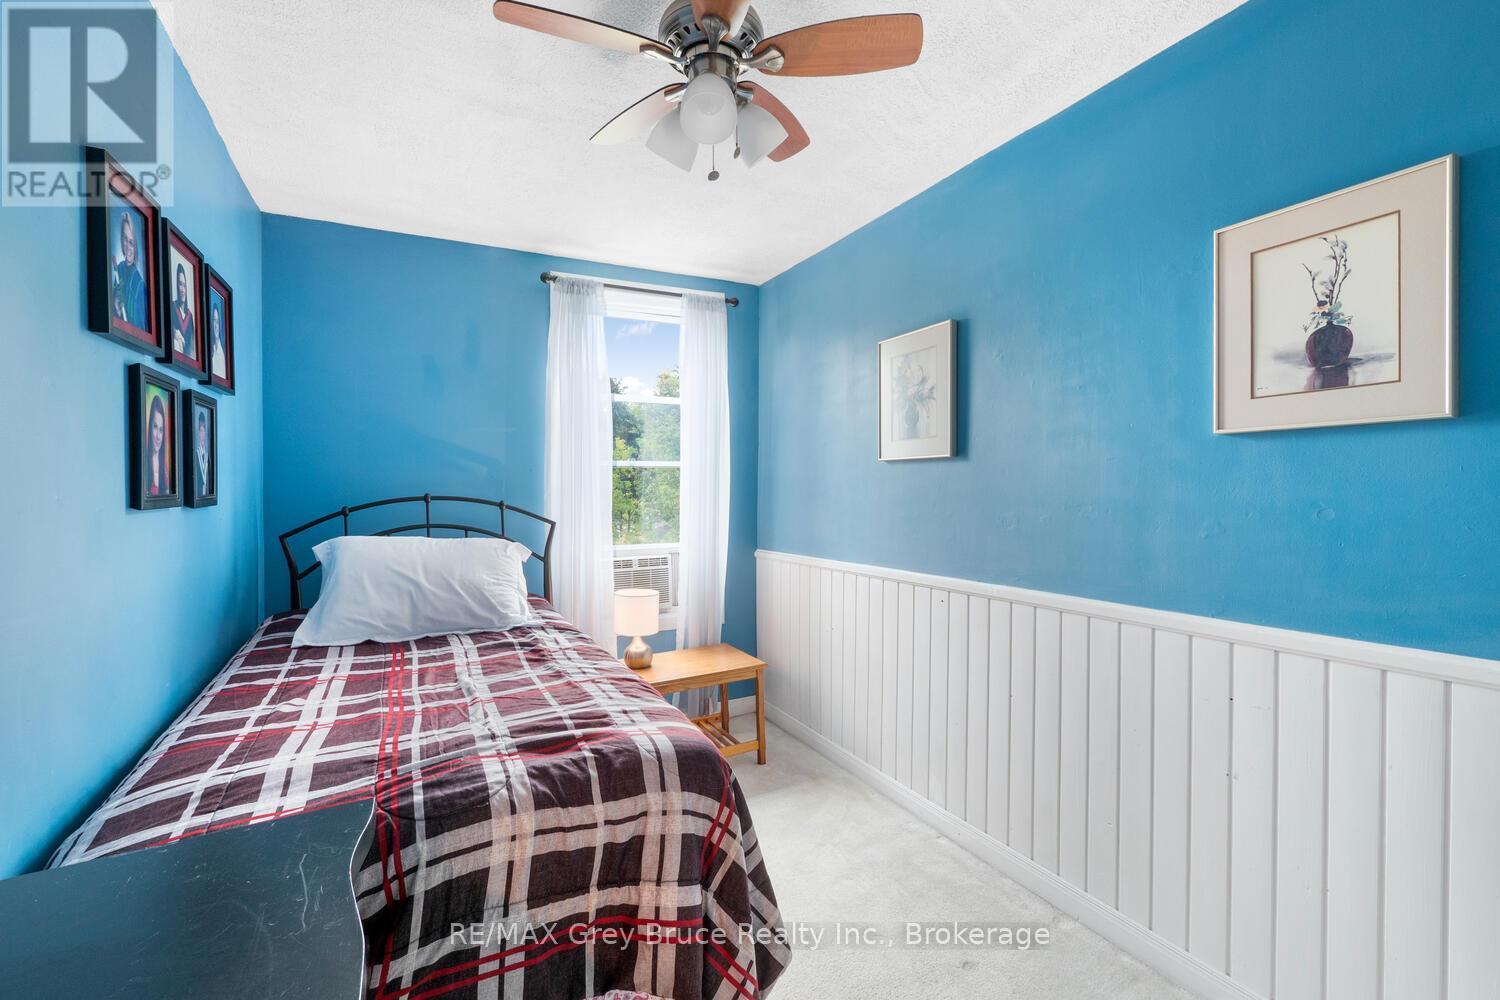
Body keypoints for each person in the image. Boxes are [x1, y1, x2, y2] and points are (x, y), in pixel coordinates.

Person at [111, 211, 148, 329]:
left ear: (136, 245)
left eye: (131, 242)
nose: (127, 246)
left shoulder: (139, 284)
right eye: (125, 239)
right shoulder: (119, 268)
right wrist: (116, 307)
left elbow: (140, 328)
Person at [170, 262, 196, 358]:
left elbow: (192, 348)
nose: (182, 289)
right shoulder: (172, 307)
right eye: (180, 284)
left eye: (184, 285)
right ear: (176, 286)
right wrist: (174, 331)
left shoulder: (190, 316)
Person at [146, 395, 170, 497]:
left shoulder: (165, 473)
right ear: (149, 427)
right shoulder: (144, 466)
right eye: (155, 427)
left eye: (161, 430)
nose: (158, 437)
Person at [194, 410, 211, 497]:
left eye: (204, 430)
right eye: (201, 430)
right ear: (198, 432)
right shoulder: (196, 454)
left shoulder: (208, 455)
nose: (202, 434)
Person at [209, 300, 227, 379]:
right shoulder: (209, 350)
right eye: (214, 321)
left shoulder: (223, 352)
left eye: (217, 321)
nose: (216, 326)